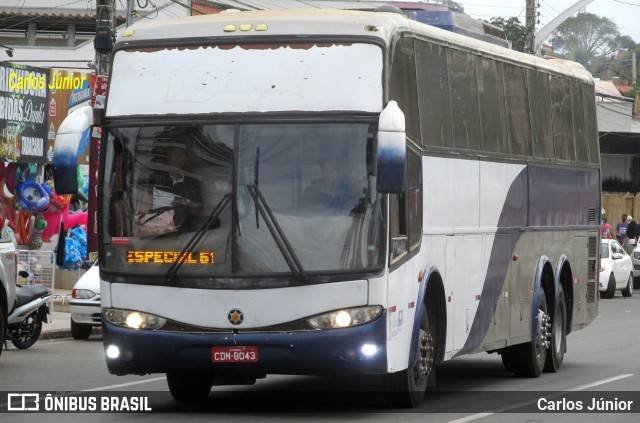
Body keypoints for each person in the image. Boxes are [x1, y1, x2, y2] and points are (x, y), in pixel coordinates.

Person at [139, 145, 202, 230]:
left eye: (182, 155)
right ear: (167, 157)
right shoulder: (155, 177)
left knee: (213, 221)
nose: (179, 158)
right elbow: (145, 205)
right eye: (175, 154)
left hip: (183, 226)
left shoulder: (192, 182)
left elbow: (196, 209)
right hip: (156, 222)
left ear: (186, 159)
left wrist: (184, 205)